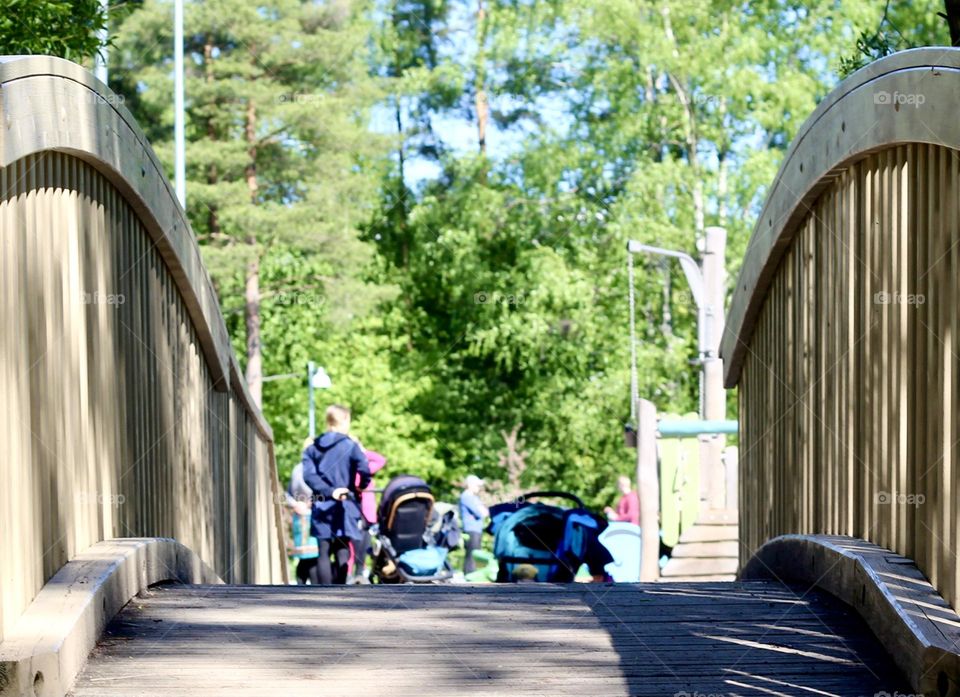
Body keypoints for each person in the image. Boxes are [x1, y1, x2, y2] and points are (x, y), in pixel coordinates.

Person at [302, 405, 370, 585]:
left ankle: (325, 595)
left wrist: (329, 492)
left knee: (323, 550)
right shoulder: (350, 445)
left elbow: (308, 476)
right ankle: (340, 594)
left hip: (321, 502)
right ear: (345, 419)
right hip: (345, 503)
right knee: (342, 548)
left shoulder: (312, 447)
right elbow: (364, 469)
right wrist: (359, 488)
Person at [286, 437, 320, 584]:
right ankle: (309, 589)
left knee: (309, 557)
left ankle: (302, 587)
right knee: (309, 556)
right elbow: (288, 494)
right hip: (307, 516)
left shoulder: (299, 468)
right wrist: (298, 504)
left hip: (304, 514)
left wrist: (296, 504)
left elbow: (288, 495)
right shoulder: (309, 469)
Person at [459, 475, 488, 575]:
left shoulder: (473, 497)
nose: (479, 488)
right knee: (472, 555)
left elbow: (484, 511)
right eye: (477, 485)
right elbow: (481, 513)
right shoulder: (467, 496)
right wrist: (483, 510)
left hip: (476, 529)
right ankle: (469, 577)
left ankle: (471, 576)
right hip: (471, 530)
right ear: (470, 485)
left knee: (474, 555)